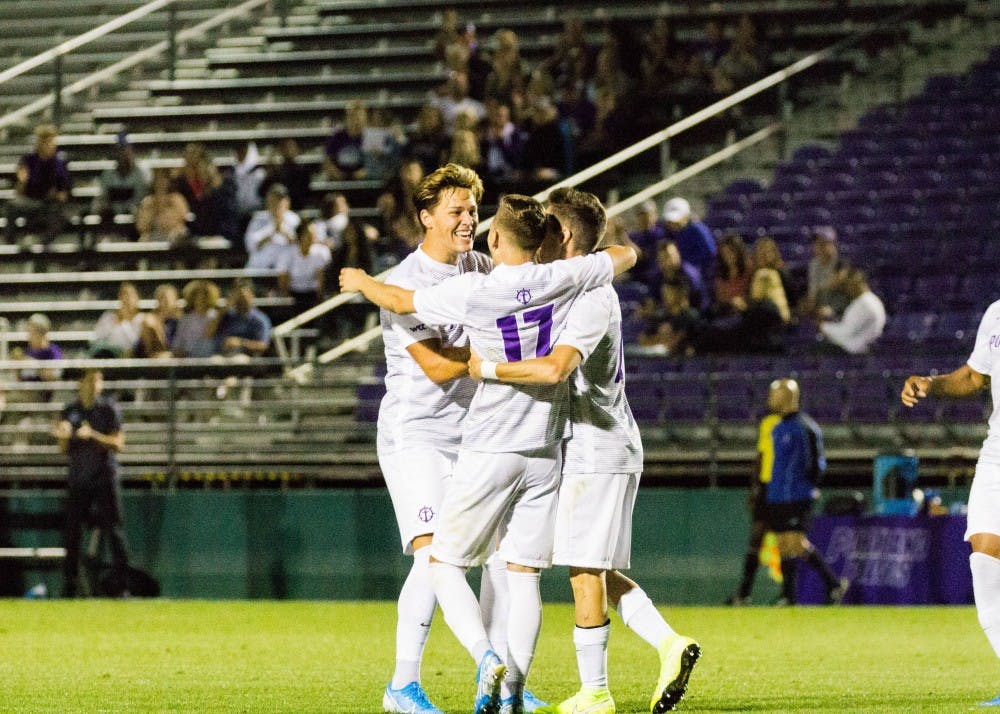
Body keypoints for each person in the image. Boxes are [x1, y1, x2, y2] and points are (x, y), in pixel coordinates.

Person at [340, 194, 637, 714]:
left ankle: (481, 661)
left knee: (444, 562)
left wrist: (362, 283)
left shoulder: (475, 289)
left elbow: (403, 301)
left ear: (495, 239)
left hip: (488, 443)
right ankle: (511, 694)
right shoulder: (565, 280)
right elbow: (621, 256)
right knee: (521, 574)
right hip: (544, 450)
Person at [466, 187, 700, 714]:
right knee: (594, 567)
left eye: (546, 227)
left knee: (583, 570)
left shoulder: (591, 296)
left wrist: (486, 369)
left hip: (597, 446)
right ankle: (669, 643)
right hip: (598, 445)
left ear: (564, 235)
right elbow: (619, 254)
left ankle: (595, 691)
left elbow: (556, 369)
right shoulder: (575, 284)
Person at [339, 164, 493, 714]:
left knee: (464, 561)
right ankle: (488, 661)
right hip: (416, 436)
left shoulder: (479, 264)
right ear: (426, 217)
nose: (468, 219)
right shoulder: (403, 282)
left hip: (469, 434)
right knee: (438, 557)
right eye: (457, 210)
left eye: (473, 208)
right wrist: (504, 359)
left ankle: (404, 686)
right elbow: (437, 366)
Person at [901, 307, 1000, 707]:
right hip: (998, 455)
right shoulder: (997, 314)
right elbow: (975, 376)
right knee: (984, 556)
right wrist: (931, 383)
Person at [758, 379, 848, 606]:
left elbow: (817, 463)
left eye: (774, 393)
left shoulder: (805, 427)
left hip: (798, 495)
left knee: (796, 542)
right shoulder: (777, 428)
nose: (770, 398)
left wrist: (810, 487)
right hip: (777, 495)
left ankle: (833, 584)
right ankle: (789, 596)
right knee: (783, 544)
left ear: (787, 396)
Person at [52, 369, 130, 597]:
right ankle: (70, 587)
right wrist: (63, 436)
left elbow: (119, 444)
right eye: (91, 380)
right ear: (81, 383)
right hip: (79, 479)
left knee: (114, 531)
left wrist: (93, 435)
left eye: (98, 380)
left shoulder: (108, 409)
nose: (96, 384)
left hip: (104, 478)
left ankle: (122, 585)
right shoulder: (70, 411)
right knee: (72, 533)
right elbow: (63, 449)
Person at [6, 123, 71, 246]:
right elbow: (20, 192)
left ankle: (41, 242)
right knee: (11, 206)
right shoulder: (28, 160)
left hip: (49, 205)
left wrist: (57, 194)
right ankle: (11, 242)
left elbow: (64, 193)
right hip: (31, 202)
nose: (51, 146)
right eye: (46, 142)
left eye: (52, 142)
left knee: (60, 216)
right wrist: (22, 182)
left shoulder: (59, 162)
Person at [817, 267, 886, 354]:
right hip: (859, 346)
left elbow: (846, 331)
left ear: (858, 283)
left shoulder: (864, 303)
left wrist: (823, 327)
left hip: (854, 352)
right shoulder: (870, 299)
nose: (848, 288)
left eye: (850, 284)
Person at [90, 136, 147, 242]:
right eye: (121, 151)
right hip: (112, 217)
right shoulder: (108, 174)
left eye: (127, 151)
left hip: (133, 217)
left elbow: (141, 199)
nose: (124, 155)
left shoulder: (140, 173)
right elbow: (102, 198)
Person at [276, 222, 332, 314]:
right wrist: (286, 300)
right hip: (293, 293)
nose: (312, 236)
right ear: (300, 236)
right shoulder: (287, 253)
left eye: (314, 234)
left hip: (312, 294)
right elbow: (282, 279)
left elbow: (321, 280)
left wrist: (319, 301)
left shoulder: (321, 253)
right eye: (308, 234)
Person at [244, 183, 300, 269]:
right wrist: (271, 233)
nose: (275, 204)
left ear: (287, 202)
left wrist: (283, 232)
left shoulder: (294, 220)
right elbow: (250, 245)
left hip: (285, 269)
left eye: (279, 200)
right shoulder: (258, 219)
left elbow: (300, 246)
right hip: (260, 267)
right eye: (272, 200)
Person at [662, 197, 717, 282]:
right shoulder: (668, 233)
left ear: (686, 216)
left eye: (676, 220)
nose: (673, 223)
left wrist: (686, 265)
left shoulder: (698, 229)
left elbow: (710, 253)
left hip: (698, 275)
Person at [215, 279, 271, 358]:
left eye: (243, 298)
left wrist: (240, 343)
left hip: (247, 356)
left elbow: (263, 345)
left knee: (238, 360)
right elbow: (211, 333)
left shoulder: (260, 319)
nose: (241, 301)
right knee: (214, 361)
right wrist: (225, 308)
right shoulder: (228, 315)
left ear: (251, 296)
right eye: (238, 298)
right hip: (225, 354)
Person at [135, 167, 190, 247]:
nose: (160, 182)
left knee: (180, 235)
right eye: (158, 179)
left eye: (163, 178)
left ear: (169, 181)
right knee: (143, 239)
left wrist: (165, 209)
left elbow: (184, 219)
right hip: (153, 234)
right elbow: (141, 226)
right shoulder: (147, 201)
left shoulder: (177, 199)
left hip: (174, 234)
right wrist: (155, 208)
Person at [90, 282, 145, 358]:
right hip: (105, 354)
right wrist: (113, 324)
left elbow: (134, 344)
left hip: (127, 356)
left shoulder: (142, 319)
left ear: (137, 298)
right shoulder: (108, 316)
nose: (126, 299)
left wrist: (124, 322)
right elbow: (95, 339)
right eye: (123, 294)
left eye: (130, 295)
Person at [172, 279, 221, 358]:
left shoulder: (215, 317)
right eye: (197, 295)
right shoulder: (186, 319)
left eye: (205, 295)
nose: (201, 299)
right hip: (187, 358)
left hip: (209, 358)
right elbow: (178, 342)